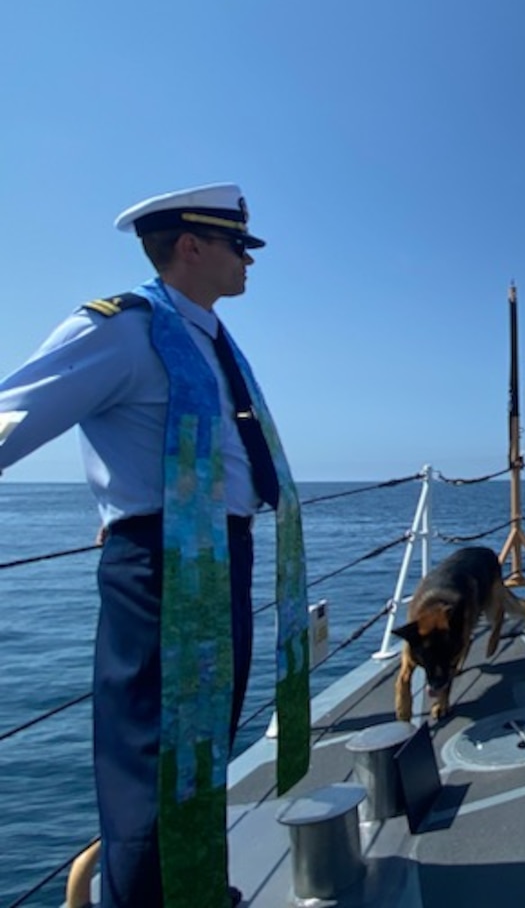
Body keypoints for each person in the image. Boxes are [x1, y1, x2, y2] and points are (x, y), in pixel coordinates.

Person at [0, 184, 310, 906]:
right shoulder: (121, 327)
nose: (249, 262)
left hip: (218, 558)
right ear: (192, 246)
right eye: (240, 246)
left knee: (203, 752)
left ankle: (195, 892)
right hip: (161, 567)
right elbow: (11, 415)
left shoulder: (203, 336)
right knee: (154, 761)